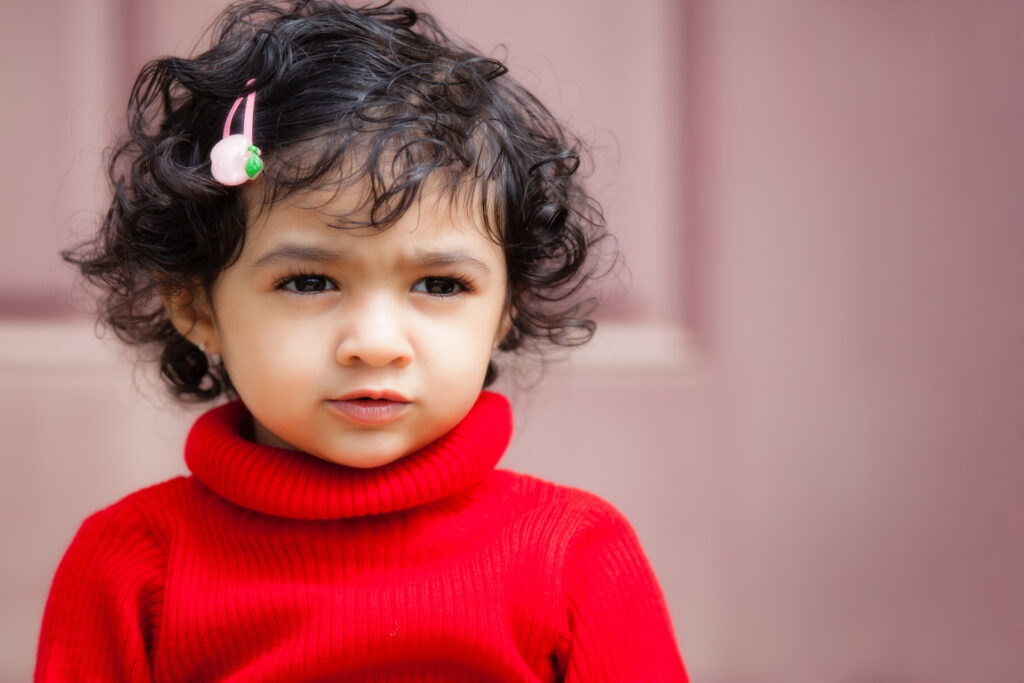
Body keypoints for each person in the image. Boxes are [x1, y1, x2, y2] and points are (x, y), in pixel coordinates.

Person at [35, 1, 687, 680]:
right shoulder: (133, 563)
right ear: (195, 304)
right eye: (310, 281)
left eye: (439, 286)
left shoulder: (576, 555)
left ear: (505, 309)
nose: (375, 344)